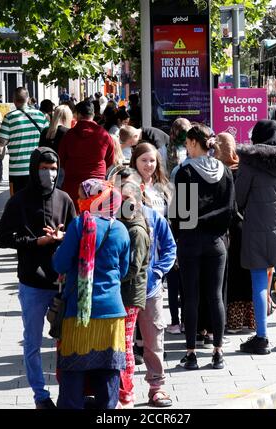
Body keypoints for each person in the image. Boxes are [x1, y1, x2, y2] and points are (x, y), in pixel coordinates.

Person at [0, 147, 76, 409]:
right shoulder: (18, 201)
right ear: (34, 169)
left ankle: (69, 390)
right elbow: (2, 238)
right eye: (44, 169)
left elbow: (77, 234)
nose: (49, 174)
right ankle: (40, 395)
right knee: (32, 342)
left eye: (53, 169)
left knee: (67, 341)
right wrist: (36, 241)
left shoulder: (64, 199)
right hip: (32, 282)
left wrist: (64, 238)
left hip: (61, 281)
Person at [53, 179, 130, 409]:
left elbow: (59, 263)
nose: (78, 200)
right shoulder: (121, 229)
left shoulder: (79, 225)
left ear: (93, 198)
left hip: (79, 312)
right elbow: (124, 270)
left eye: (81, 195)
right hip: (113, 314)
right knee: (108, 376)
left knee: (73, 377)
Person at [172, 124, 236, 370]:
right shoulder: (225, 171)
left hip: (191, 241)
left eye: (187, 143)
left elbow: (180, 213)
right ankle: (218, 352)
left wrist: (179, 238)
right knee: (215, 296)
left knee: (191, 297)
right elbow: (231, 209)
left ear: (193, 143)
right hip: (217, 242)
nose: (186, 148)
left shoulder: (185, 172)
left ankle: (191, 354)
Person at [113, 167, 176, 407]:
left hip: (150, 290)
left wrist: (158, 272)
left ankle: (156, 387)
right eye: (120, 189)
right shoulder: (112, 218)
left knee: (153, 340)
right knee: (122, 344)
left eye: (129, 189)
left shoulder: (153, 217)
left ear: (140, 190)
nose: (124, 194)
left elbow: (170, 247)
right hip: (122, 292)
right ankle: (122, 390)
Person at [236, 120, 276, 354]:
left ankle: (261, 337)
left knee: (259, 280)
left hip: (257, 225)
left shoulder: (249, 163)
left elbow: (239, 196)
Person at [214, 132, 255, 333]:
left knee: (231, 275)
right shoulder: (245, 168)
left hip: (228, 229)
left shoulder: (217, 171)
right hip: (246, 227)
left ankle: (234, 321)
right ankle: (250, 319)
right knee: (246, 272)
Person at [116, 179, 150, 408]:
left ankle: (128, 392)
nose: (124, 204)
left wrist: (111, 278)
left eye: (128, 200)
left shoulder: (136, 229)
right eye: (121, 200)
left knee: (126, 344)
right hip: (123, 291)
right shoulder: (125, 222)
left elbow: (133, 268)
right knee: (120, 342)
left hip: (130, 293)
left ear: (137, 202)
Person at [58, 100, 115, 211]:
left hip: (73, 185)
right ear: (93, 115)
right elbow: (110, 160)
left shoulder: (69, 135)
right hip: (97, 184)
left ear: (78, 115)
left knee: (74, 218)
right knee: (96, 218)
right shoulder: (104, 135)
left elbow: (61, 159)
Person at [0, 87, 49, 195]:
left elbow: (2, 142)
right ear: (28, 99)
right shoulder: (40, 116)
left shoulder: (9, 117)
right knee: (36, 202)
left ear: (14, 100)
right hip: (37, 168)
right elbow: (47, 137)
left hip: (17, 170)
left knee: (17, 204)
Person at [130, 142, 172, 218]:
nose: (148, 164)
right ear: (135, 161)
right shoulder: (128, 187)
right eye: (144, 160)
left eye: (152, 160)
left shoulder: (163, 184)